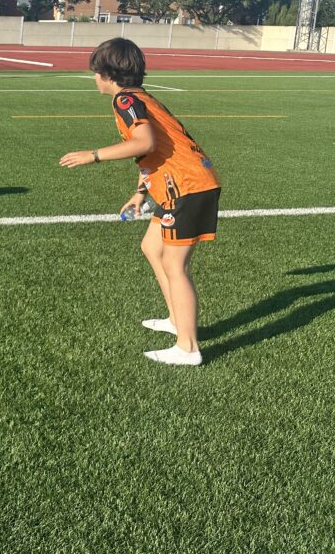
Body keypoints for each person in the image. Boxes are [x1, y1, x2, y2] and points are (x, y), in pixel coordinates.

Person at [59, 37, 222, 367]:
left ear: (107, 74)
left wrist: (93, 156)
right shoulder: (138, 97)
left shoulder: (125, 100)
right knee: (152, 247)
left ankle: (188, 347)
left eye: (95, 72)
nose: (94, 79)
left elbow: (143, 142)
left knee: (176, 266)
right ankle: (177, 319)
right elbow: (153, 151)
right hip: (178, 185)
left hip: (187, 187)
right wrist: (140, 193)